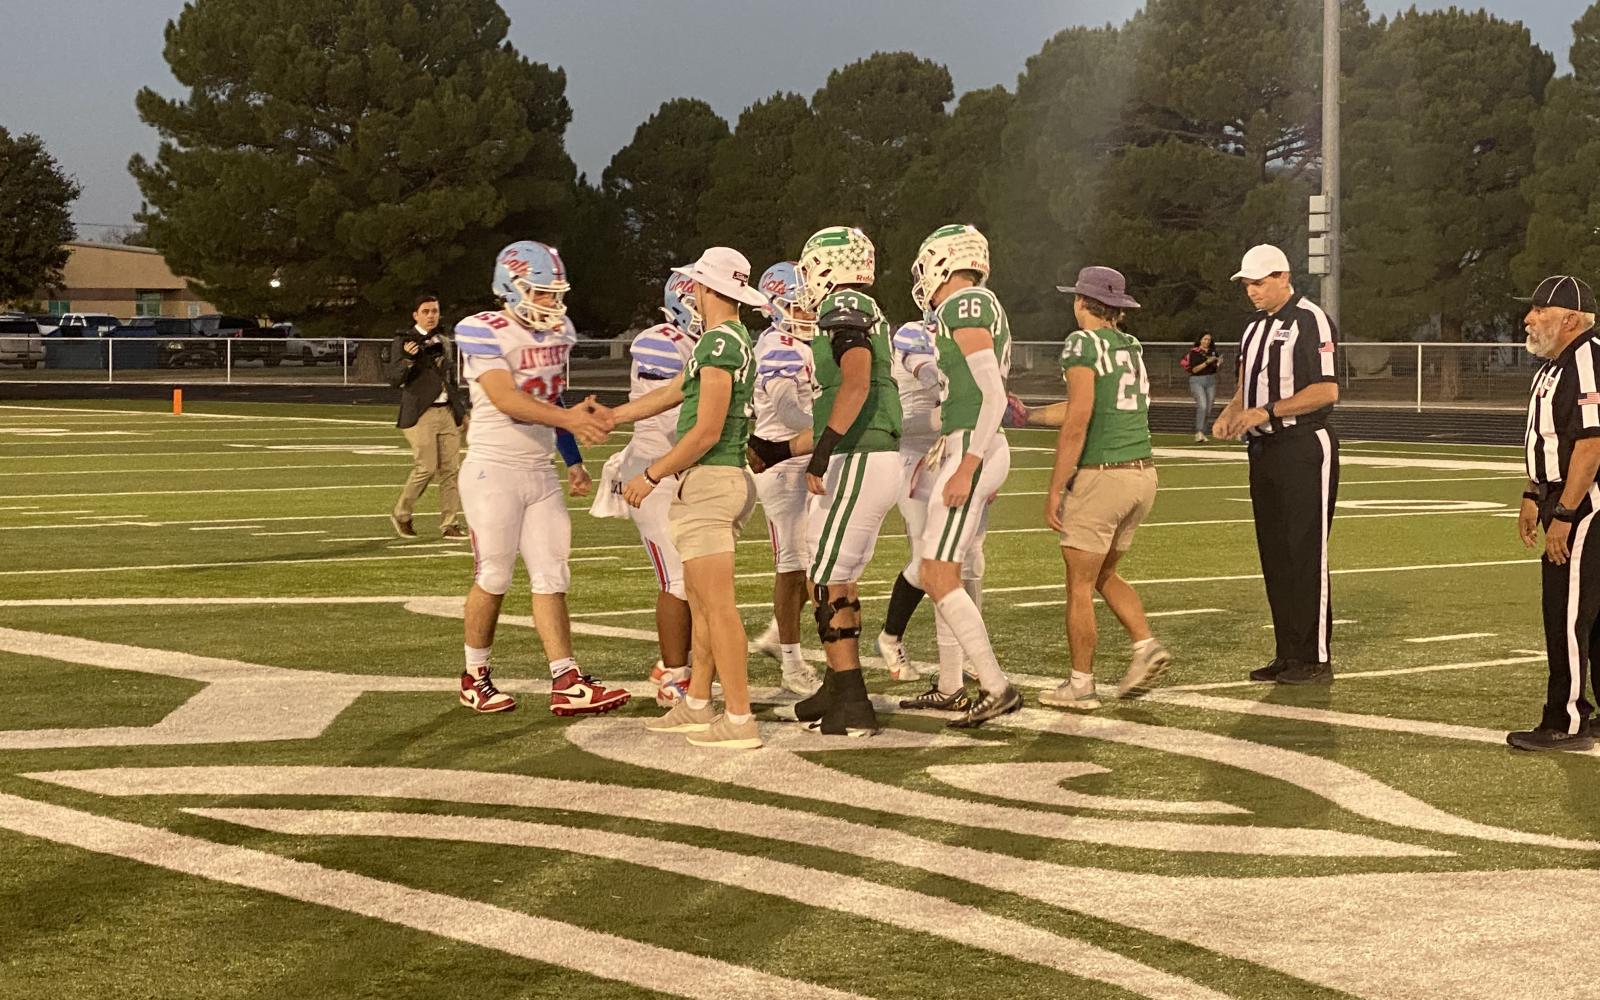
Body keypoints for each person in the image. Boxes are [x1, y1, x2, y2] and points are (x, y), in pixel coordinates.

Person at [451, 240, 626, 717]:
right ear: (510, 289)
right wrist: (570, 421)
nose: (552, 303)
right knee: (494, 574)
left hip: (538, 469)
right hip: (493, 469)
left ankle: (566, 679)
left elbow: (552, 400)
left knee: (553, 573)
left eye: (554, 293)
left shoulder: (558, 332)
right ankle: (475, 676)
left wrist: (570, 450)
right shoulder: (482, 330)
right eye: (542, 293)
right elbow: (507, 399)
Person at [614, 247, 767, 750]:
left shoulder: (720, 342)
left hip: (711, 479)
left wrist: (652, 474)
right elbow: (678, 390)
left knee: (718, 608)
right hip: (716, 480)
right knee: (701, 603)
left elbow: (706, 430)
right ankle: (699, 701)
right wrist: (612, 418)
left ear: (705, 289)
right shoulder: (724, 341)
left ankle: (740, 715)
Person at [756, 226, 903, 736]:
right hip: (867, 455)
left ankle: (853, 701)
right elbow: (842, 402)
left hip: (860, 459)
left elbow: (858, 380)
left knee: (824, 579)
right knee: (833, 575)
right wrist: (777, 450)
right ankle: (840, 688)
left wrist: (819, 456)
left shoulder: (842, 305)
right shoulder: (862, 307)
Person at [1024, 266, 1172, 710]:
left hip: (1104, 475)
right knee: (1103, 574)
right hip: (1142, 473)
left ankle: (1081, 684)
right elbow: (1085, 404)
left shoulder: (1080, 343)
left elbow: (1079, 418)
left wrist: (1055, 487)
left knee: (1078, 584)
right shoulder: (1130, 346)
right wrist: (1026, 415)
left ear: (1080, 302)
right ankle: (1145, 646)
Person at [896, 224, 1020, 728]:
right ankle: (959, 685)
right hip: (970, 442)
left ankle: (994, 686)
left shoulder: (964, 304)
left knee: (938, 571)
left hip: (975, 445)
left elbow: (992, 396)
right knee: (941, 569)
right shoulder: (973, 305)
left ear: (943, 263)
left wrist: (969, 462)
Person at [1212, 244, 1340, 685]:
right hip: (1264, 450)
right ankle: (1288, 651)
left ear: (1284, 277)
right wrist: (1231, 412)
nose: (1252, 290)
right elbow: (1247, 384)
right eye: (1247, 283)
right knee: (1276, 553)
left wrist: (1266, 411)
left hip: (1304, 446)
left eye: (1259, 282)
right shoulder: (1253, 329)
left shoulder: (1310, 319)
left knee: (1306, 551)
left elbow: (1326, 391)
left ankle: (1314, 656)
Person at [603, 272, 703, 707]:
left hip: (682, 468)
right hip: (654, 472)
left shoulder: (704, 344)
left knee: (698, 577)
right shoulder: (659, 340)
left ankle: (682, 667)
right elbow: (666, 416)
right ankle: (673, 675)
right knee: (678, 580)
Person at [1510, 275, 1600, 751]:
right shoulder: (1555, 364)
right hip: (1562, 497)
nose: (1528, 318)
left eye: (1539, 311)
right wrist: (1532, 492)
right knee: (1591, 613)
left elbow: (1589, 444)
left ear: (1569, 318)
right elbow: (1550, 440)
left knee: (1565, 613)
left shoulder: (1586, 357)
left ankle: (1565, 720)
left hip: (1583, 504)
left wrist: (1564, 513)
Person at [746, 261, 824, 696]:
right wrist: (829, 425)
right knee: (794, 564)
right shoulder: (778, 343)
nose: (809, 311)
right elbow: (790, 414)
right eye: (800, 304)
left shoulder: (806, 341)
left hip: (805, 456)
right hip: (781, 464)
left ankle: (780, 636)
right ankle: (792, 664)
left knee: (816, 559)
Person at [873, 318, 941, 685]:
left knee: (969, 558)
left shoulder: (965, 328)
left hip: (951, 454)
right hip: (914, 457)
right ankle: (889, 637)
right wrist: (951, 394)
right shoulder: (913, 332)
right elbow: (927, 372)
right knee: (925, 561)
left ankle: (964, 650)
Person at [387, 295, 467, 539]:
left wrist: (461, 410)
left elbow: (450, 378)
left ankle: (450, 523)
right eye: (426, 311)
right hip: (421, 412)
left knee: (451, 470)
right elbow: (394, 379)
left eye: (435, 311)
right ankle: (402, 513)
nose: (432, 315)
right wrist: (408, 360)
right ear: (416, 315)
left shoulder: (443, 340)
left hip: (446, 409)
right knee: (426, 468)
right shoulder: (403, 340)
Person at [1182, 332, 1221, 443]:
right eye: (1204, 339)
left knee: (1208, 408)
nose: (1206, 342)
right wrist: (1207, 362)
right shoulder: (1194, 353)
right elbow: (1194, 370)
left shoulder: (1212, 352)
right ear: (1200, 340)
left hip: (1211, 380)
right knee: (1202, 406)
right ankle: (1198, 431)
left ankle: (1202, 432)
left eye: (1209, 339)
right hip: (1197, 380)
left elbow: (1214, 369)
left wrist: (1217, 363)